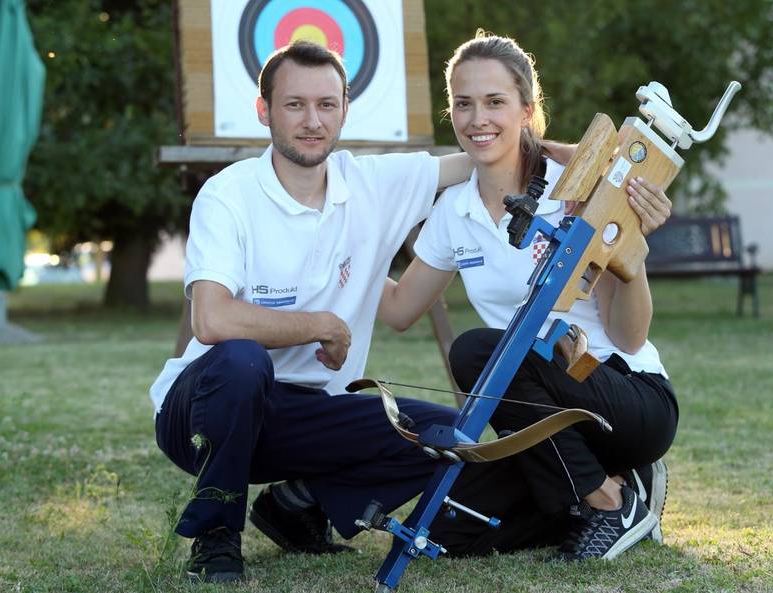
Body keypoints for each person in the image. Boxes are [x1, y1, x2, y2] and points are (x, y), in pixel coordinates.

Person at [149, 39, 576, 582]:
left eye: (327, 105)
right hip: (202, 412)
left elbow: (485, 148)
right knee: (241, 360)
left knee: (448, 435)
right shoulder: (228, 194)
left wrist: (564, 155)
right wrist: (319, 325)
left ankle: (300, 503)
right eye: (294, 104)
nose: (312, 121)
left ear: (344, 110)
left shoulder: (373, 184)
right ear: (265, 111)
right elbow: (211, 320)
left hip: (304, 417)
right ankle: (216, 536)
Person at [378, 32, 679, 561]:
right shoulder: (454, 209)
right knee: (450, 535)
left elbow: (630, 336)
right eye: (464, 104)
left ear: (527, 109)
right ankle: (618, 491)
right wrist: (340, 248)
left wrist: (632, 254)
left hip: (624, 396)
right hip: (537, 420)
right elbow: (401, 308)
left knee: (476, 350)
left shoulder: (583, 187)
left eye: (495, 102)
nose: (478, 119)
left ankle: (609, 502)